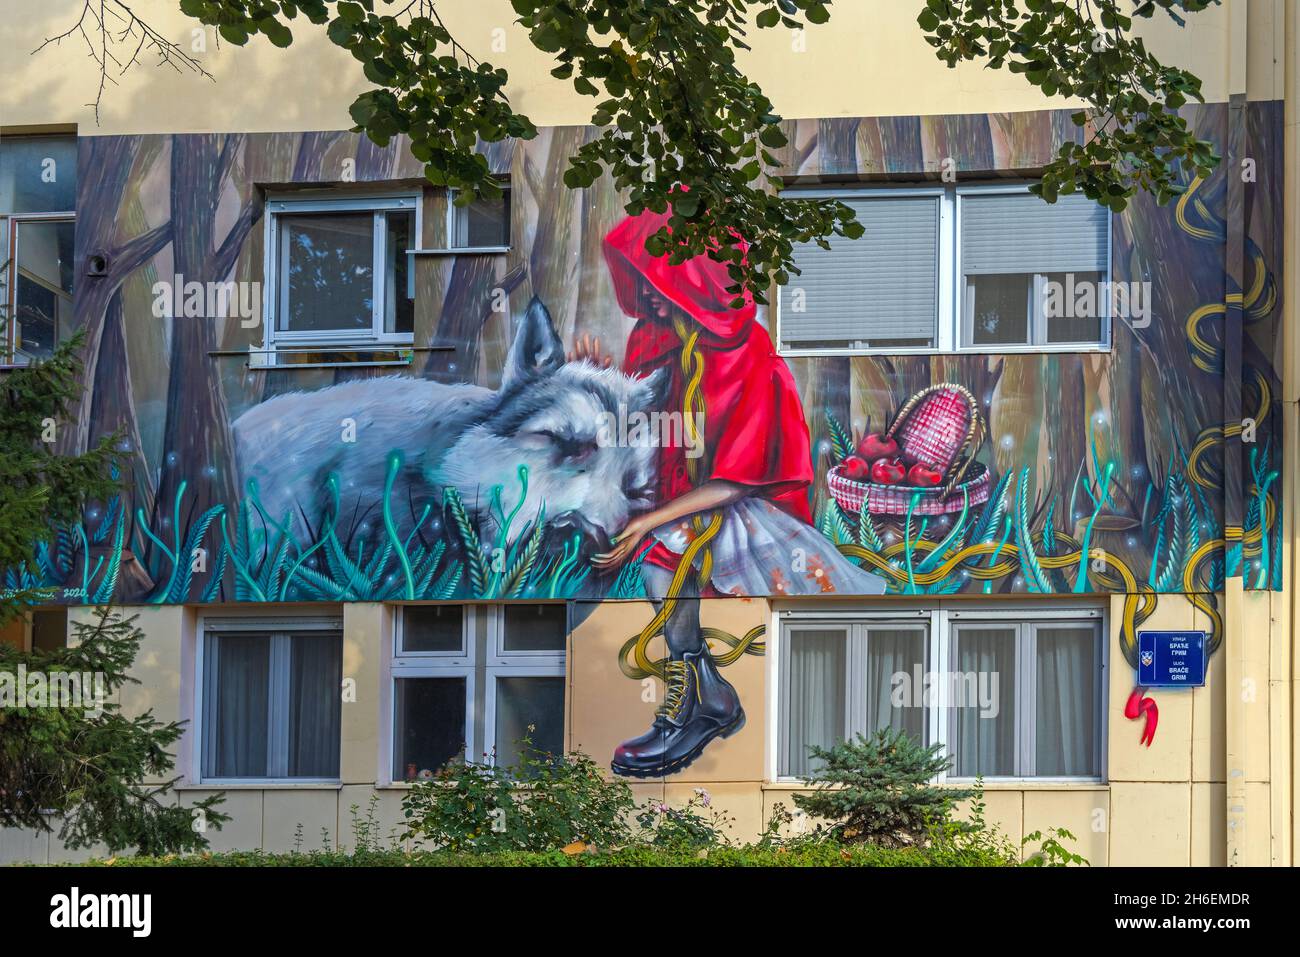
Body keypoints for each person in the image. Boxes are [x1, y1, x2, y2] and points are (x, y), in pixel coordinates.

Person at [575, 203, 885, 778]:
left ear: (700, 284)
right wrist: (593, 379)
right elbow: (638, 425)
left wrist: (647, 520)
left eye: (664, 286)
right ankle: (703, 695)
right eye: (646, 287)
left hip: (740, 507)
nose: (653, 301)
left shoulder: (752, 357)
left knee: (663, 557)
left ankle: (697, 700)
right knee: (647, 555)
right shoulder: (660, 339)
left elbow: (737, 476)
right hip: (676, 499)